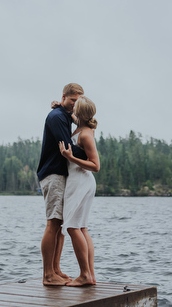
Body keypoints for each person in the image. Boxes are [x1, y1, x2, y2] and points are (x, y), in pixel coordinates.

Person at [36, 83, 87, 286]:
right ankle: (48, 274)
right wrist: (91, 156)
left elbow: (79, 120)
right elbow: (68, 147)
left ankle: (55, 269)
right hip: (53, 174)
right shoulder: (57, 117)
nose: (75, 105)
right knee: (53, 222)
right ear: (64, 96)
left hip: (61, 174)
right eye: (72, 100)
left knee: (60, 224)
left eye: (78, 101)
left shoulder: (64, 114)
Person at [58, 96, 100, 287]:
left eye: (76, 107)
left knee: (73, 227)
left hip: (81, 182)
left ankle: (85, 275)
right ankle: (90, 275)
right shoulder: (81, 126)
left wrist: (70, 157)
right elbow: (74, 118)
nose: (72, 108)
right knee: (82, 227)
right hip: (79, 182)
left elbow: (95, 165)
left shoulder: (85, 135)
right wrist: (59, 105)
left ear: (81, 113)